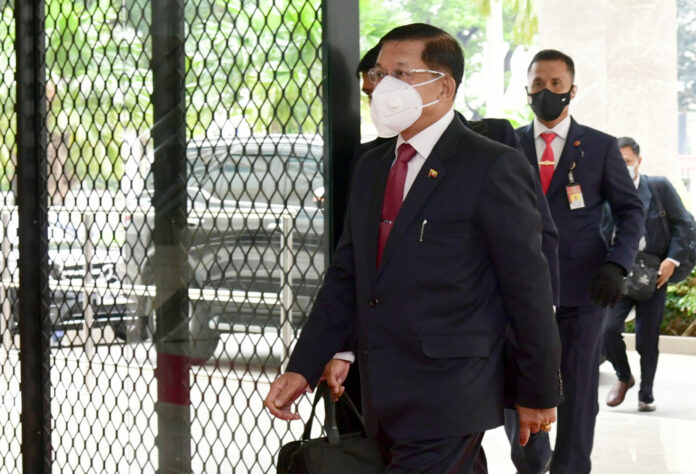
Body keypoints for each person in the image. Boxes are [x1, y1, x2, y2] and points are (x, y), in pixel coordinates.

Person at [265, 23, 562, 473]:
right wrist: (303, 367)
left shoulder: (491, 165)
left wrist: (537, 391)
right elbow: (348, 276)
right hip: (382, 397)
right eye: (380, 74)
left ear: (443, 86)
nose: (384, 86)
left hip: (450, 394)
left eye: (402, 74)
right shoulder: (371, 167)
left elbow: (529, 288)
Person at [510, 50, 644, 474]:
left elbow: (631, 212)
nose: (546, 91)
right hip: (519, 294)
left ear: (571, 90)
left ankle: (570, 467)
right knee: (521, 384)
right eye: (537, 83)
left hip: (584, 291)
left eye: (555, 84)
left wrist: (617, 265)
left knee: (580, 391)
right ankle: (531, 462)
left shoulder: (602, 147)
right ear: (526, 89)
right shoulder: (505, 146)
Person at [602, 137, 693, 412]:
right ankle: (624, 377)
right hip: (619, 272)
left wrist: (672, 260)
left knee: (646, 339)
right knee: (607, 329)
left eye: (627, 162)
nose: (622, 167)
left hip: (654, 274)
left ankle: (647, 392)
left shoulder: (658, 187)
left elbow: (684, 225)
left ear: (638, 162)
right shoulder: (604, 193)